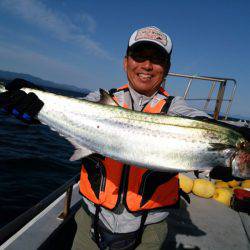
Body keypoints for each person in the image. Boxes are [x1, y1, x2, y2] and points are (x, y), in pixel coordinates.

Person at [0, 26, 210, 249]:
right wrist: (35, 104)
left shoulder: (176, 109)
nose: (147, 65)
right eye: (139, 56)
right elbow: (69, 111)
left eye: (157, 59)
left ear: (166, 68)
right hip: (90, 222)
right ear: (125, 62)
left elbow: (203, 124)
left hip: (149, 231)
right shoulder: (100, 100)